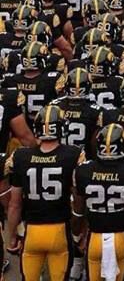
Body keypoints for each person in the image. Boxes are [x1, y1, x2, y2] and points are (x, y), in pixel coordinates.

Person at [7, 104, 83, 281]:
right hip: (60, 231)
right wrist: (79, 230)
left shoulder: (21, 156)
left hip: (32, 231)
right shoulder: (73, 154)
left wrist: (11, 236)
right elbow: (79, 199)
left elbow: (14, 204)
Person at [72, 123, 124, 281]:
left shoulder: (84, 170)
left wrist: (75, 236)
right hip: (120, 238)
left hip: (95, 239)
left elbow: (78, 212)